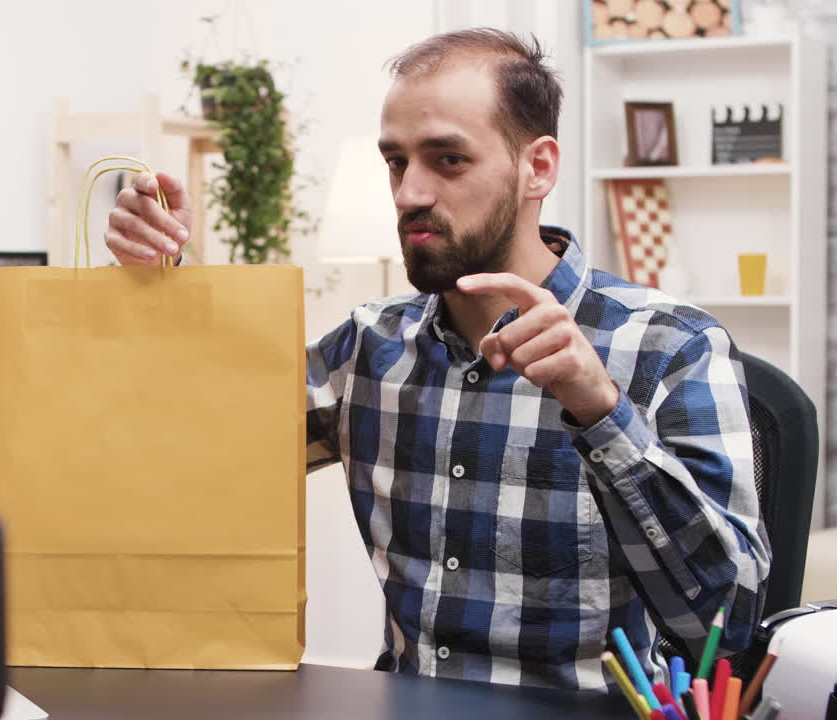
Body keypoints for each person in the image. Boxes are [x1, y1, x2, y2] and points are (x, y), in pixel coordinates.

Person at [103, 28, 769, 691]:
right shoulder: (367, 348)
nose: (408, 194)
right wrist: (160, 286)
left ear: (536, 167)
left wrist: (599, 410)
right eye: (396, 162)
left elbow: (728, 624)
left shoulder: (670, 347)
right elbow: (194, 447)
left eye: (447, 160)